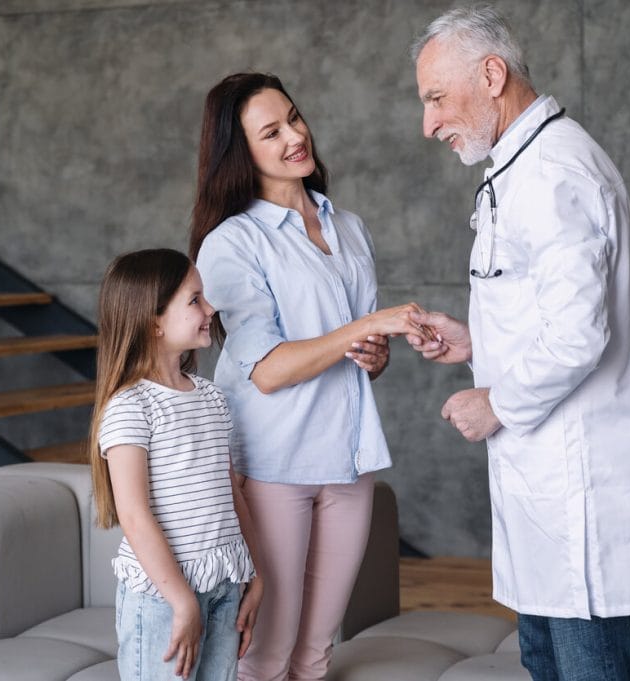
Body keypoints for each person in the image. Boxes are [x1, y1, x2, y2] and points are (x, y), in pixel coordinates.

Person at [407, 6, 630, 681]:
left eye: (436, 98)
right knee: (547, 659)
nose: (429, 123)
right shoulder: (521, 164)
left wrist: (495, 400)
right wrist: (476, 342)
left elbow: (576, 337)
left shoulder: (553, 172)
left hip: (574, 481)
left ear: (493, 74)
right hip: (542, 482)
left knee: (584, 666)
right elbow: (549, 313)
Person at [189, 73, 426, 681]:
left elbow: (351, 351)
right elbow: (267, 371)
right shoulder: (231, 243)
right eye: (272, 132)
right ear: (241, 155)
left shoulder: (347, 226)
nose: (296, 136)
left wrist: (375, 354)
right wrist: (367, 324)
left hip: (348, 458)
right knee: (266, 654)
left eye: (294, 118)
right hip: (273, 463)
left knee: (317, 652)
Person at [89, 248, 264, 681]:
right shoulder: (130, 407)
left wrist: (256, 570)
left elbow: (229, 490)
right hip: (164, 594)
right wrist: (183, 602)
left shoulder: (211, 398)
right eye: (195, 300)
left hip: (225, 581)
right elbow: (133, 513)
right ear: (154, 322)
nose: (211, 308)